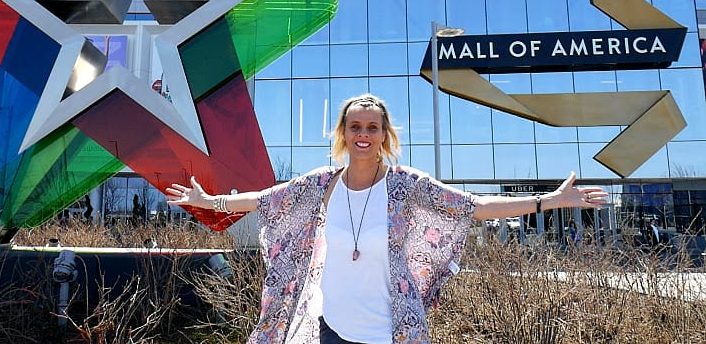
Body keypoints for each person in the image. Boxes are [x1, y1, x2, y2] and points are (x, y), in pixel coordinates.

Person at [166, 93, 609, 344]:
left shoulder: (406, 185)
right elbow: (268, 199)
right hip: (332, 331)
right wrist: (213, 201)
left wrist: (549, 200)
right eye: (355, 127)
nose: (363, 135)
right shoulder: (323, 184)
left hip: (391, 333)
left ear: (384, 134)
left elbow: (472, 206)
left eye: (372, 127)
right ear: (343, 134)